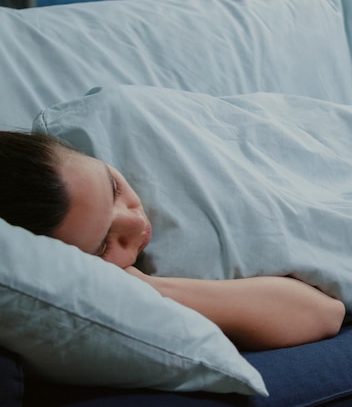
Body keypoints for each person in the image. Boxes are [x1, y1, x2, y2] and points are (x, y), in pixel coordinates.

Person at [0, 130, 345, 351]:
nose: (136, 222)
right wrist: (150, 287)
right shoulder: (124, 279)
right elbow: (324, 313)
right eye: (105, 244)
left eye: (115, 188)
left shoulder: (106, 127)